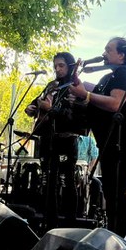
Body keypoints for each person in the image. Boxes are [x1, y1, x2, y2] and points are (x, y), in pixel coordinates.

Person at [69, 37, 126, 239]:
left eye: (109, 50)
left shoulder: (124, 72)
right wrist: (77, 80)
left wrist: (86, 96)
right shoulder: (109, 77)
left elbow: (115, 103)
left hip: (122, 141)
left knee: (116, 192)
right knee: (111, 191)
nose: (104, 53)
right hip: (110, 142)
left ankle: (117, 240)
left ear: (122, 54)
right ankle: (113, 237)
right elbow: (89, 90)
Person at [24, 52, 80, 222]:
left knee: (67, 181)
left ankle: (70, 221)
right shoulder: (51, 85)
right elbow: (37, 102)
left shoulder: (75, 87)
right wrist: (30, 108)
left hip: (66, 140)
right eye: (55, 66)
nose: (57, 69)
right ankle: (50, 220)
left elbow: (72, 117)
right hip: (48, 139)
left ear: (70, 66)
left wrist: (49, 109)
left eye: (61, 65)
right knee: (48, 180)